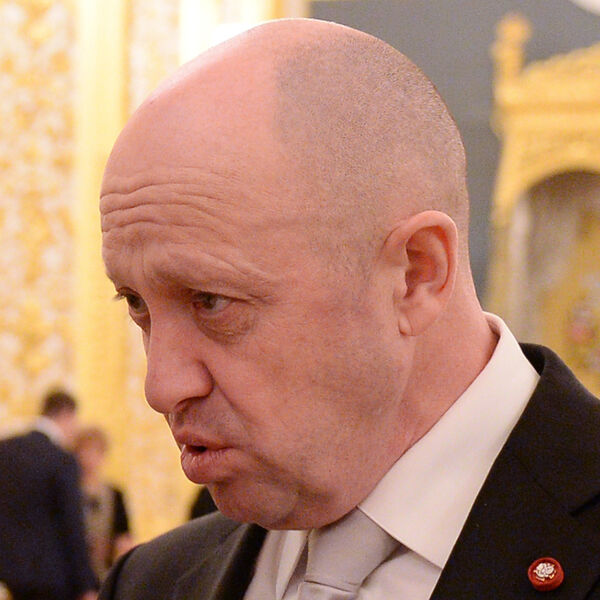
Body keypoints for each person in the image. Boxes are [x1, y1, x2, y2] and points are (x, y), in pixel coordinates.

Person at [98, 18, 600, 600]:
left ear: (415, 274)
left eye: (212, 302)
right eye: (138, 305)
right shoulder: (149, 582)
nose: (161, 387)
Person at [0, 390, 98, 600]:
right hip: (55, 580)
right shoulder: (62, 459)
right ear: (66, 414)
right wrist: (86, 585)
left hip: (10, 576)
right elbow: (72, 525)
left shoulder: (5, 451)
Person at [74, 427, 134, 582]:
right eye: (85, 451)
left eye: (96, 452)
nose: (90, 458)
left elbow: (124, 536)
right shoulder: (70, 494)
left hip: (107, 569)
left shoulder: (114, 494)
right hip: (77, 572)